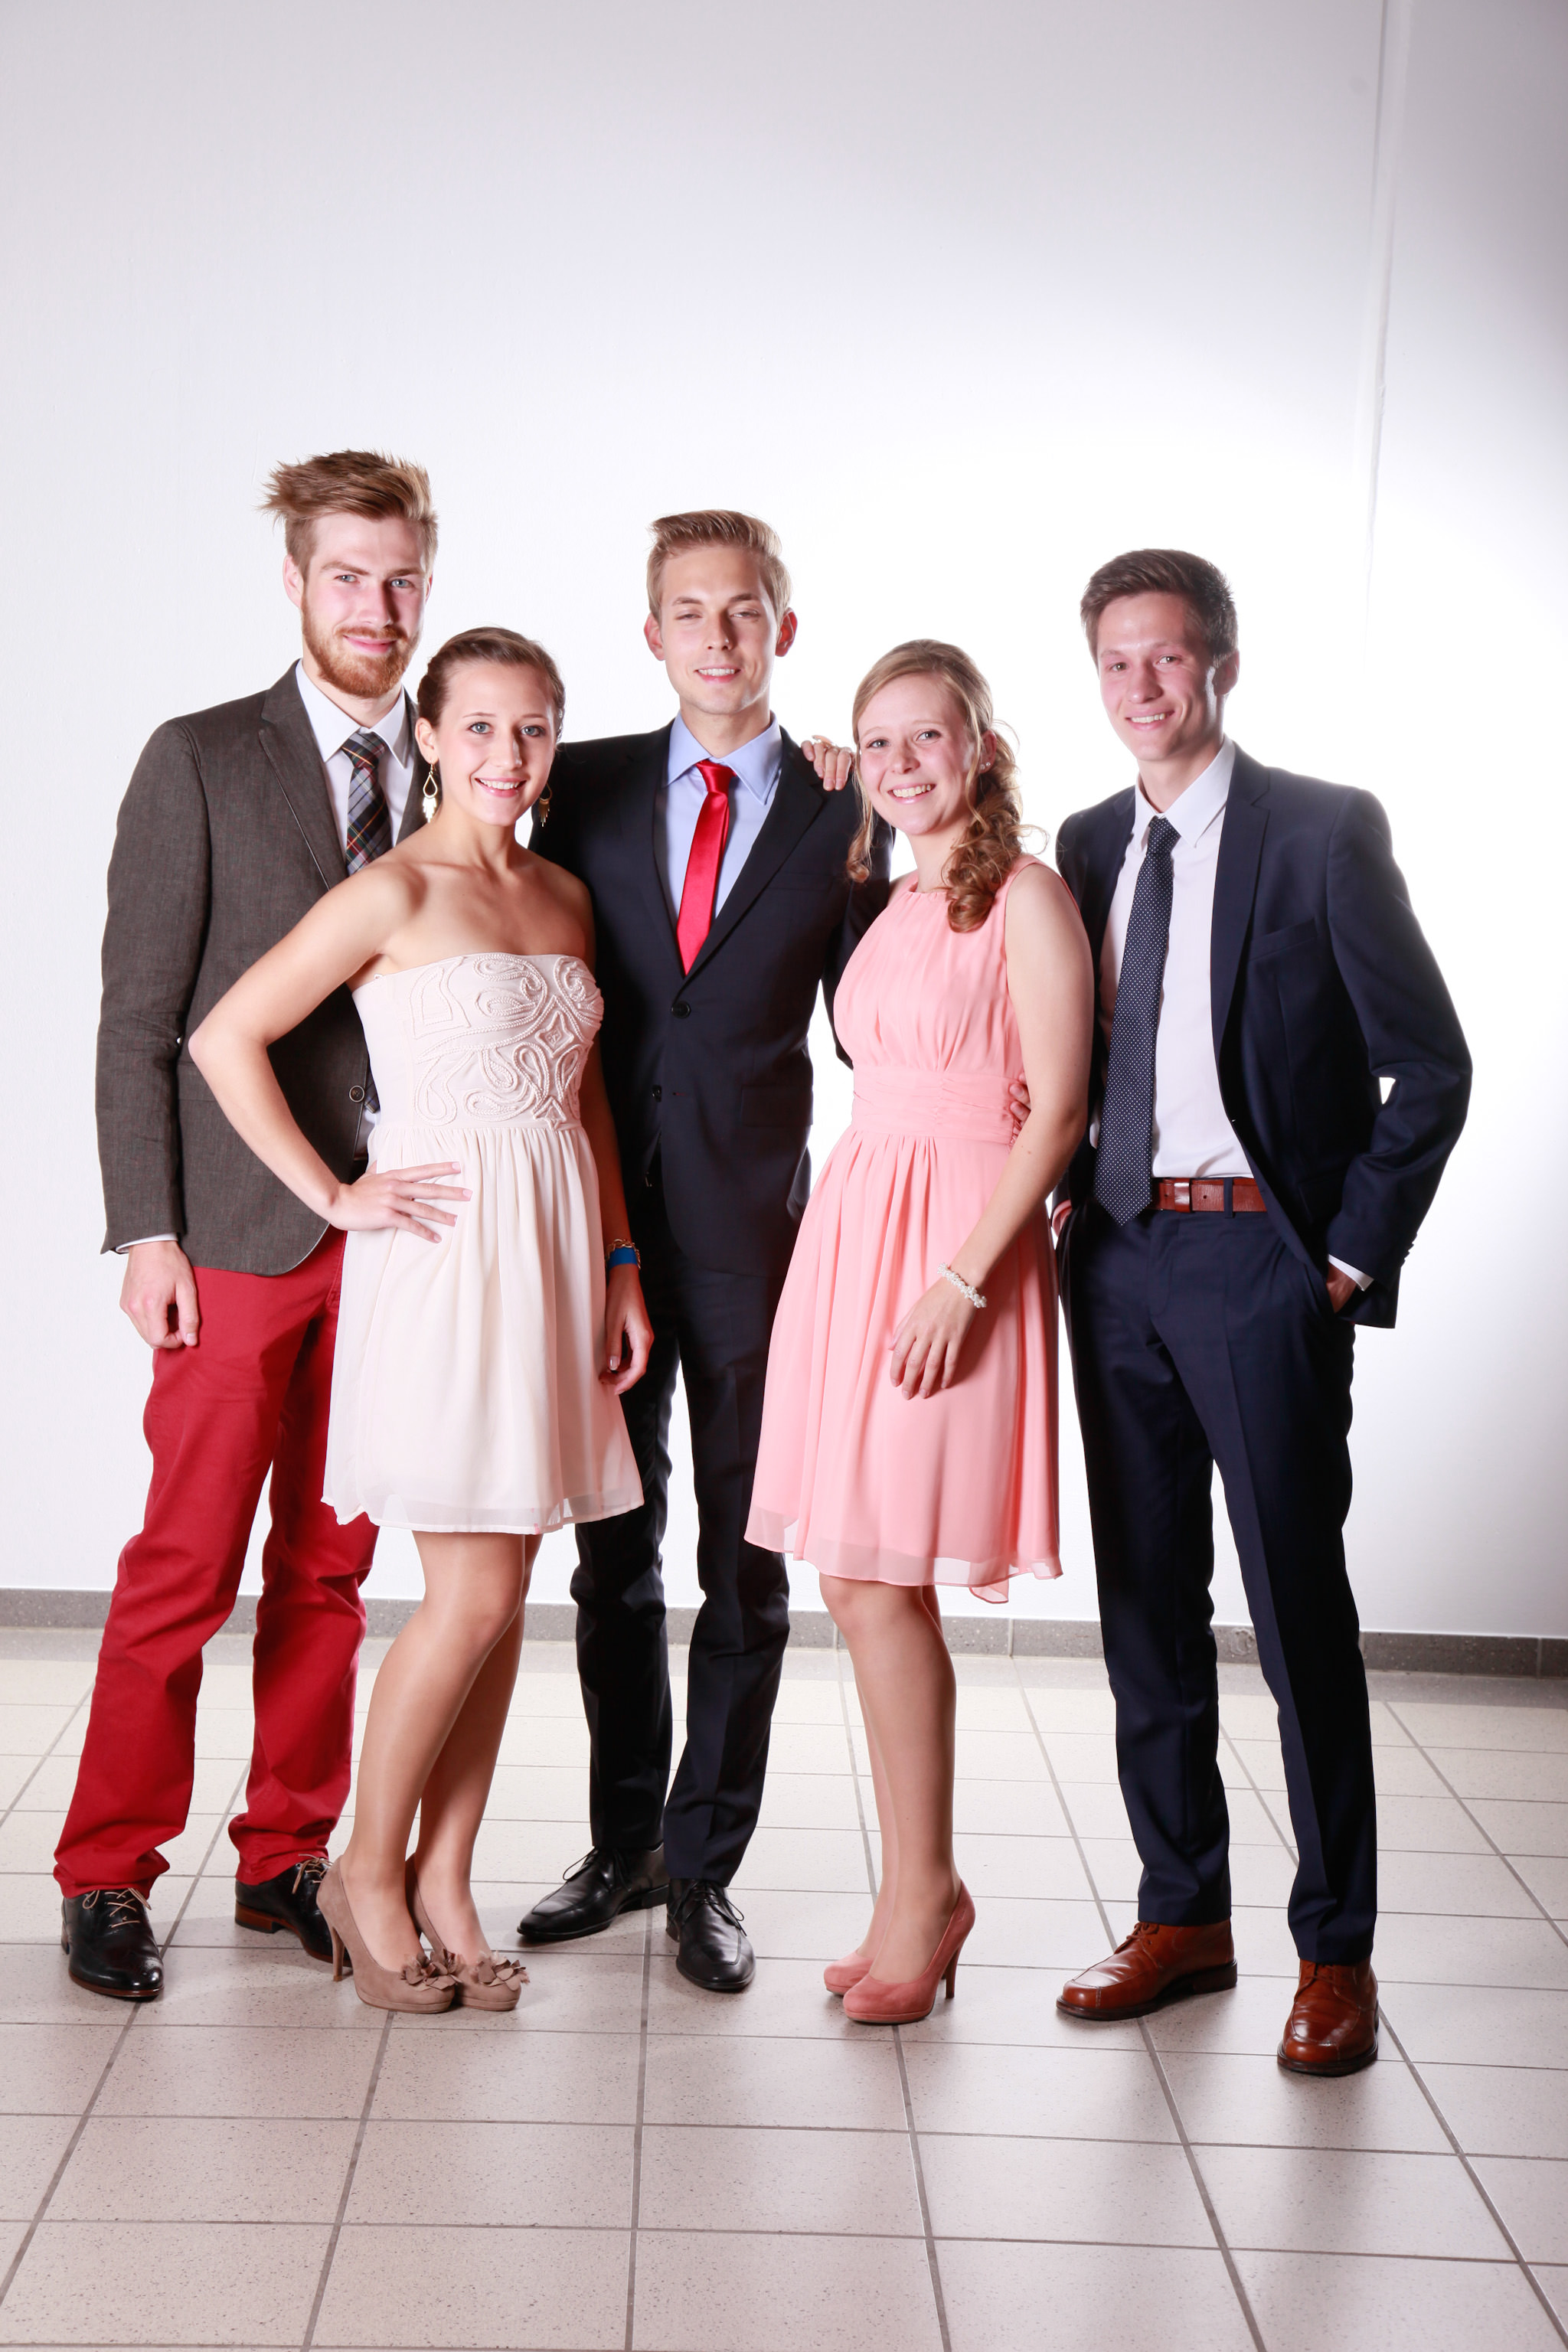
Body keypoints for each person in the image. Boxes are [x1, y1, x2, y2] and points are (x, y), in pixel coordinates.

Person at [1051, 550, 1470, 2074]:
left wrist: (1344, 1259)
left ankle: (1334, 1950)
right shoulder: (1088, 841)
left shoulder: (1320, 830)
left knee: (1296, 1611)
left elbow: (1429, 1064)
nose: (1142, 686)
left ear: (1221, 665)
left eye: (1168, 656)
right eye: (1116, 661)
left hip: (1260, 1265)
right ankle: (1183, 1914)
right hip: (1115, 1257)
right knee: (1144, 1606)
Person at [189, 627, 648, 2012]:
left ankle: (446, 1878)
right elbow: (225, 1037)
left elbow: (583, 1094)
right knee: (474, 1594)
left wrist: (620, 1260)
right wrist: (334, 1196)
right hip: (450, 1265)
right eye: (483, 728)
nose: (511, 755)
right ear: (432, 739)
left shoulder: (564, 895)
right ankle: (364, 1873)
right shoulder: (390, 891)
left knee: (506, 1600)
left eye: (536, 728)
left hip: (553, 1257)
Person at [57, 452, 438, 2001]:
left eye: (402, 578)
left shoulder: (466, 757)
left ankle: (287, 1854)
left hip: (399, 1238)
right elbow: (138, 1015)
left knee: (330, 1573)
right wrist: (146, 1229)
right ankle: (106, 1869)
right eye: (347, 576)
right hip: (227, 1230)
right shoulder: (201, 757)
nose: (377, 607)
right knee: (185, 1564)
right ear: (295, 583)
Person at [520, 511, 891, 1992]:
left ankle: (706, 1867)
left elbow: (884, 1019)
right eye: (690, 612)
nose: (719, 638)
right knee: (612, 1553)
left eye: (744, 612)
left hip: (757, 1235)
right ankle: (622, 1843)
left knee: (744, 1563)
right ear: (653, 633)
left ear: (782, 630)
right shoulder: (585, 786)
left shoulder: (842, 810)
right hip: (600, 1225)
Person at [749, 642, 1092, 2023]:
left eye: (928, 736)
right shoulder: (887, 898)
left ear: (982, 747)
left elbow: (1058, 1110)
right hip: (858, 1230)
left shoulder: (1031, 896)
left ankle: (923, 1897)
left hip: (958, 1248)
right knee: (858, 1575)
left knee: (881, 1580)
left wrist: (963, 1278)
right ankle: (919, 1889)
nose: (901, 764)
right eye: (877, 742)